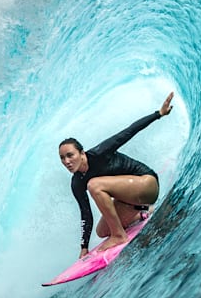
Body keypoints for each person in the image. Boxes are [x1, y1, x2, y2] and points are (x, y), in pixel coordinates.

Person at [60, 92, 174, 258]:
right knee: (102, 231)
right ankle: (141, 213)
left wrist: (159, 114)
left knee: (94, 185)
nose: (66, 161)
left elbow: (130, 131)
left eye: (70, 155)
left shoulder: (100, 153)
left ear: (82, 153)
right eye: (62, 158)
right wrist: (84, 247)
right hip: (130, 200)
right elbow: (86, 214)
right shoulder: (76, 182)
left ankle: (119, 236)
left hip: (147, 184)